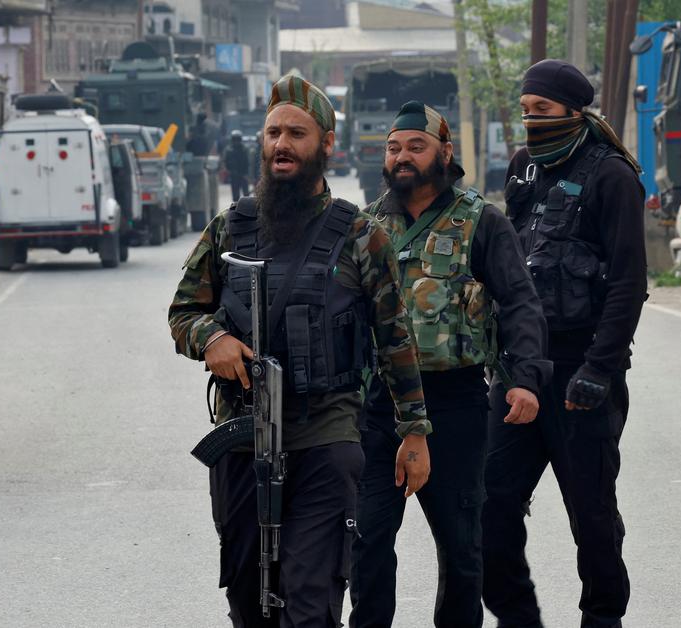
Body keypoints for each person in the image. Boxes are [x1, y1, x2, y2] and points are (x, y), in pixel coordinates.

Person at [168, 75, 432, 628]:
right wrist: (212, 339)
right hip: (243, 432)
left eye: (296, 133)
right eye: (273, 134)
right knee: (247, 596)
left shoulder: (360, 234)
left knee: (311, 601)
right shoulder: (229, 228)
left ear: (326, 144)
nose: (281, 145)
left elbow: (395, 338)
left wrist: (414, 432)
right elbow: (183, 312)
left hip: (325, 432)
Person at [349, 101, 552, 628]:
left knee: (463, 550)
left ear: (444, 153)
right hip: (380, 406)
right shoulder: (366, 225)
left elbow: (520, 302)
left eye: (416, 146)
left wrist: (525, 378)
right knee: (366, 543)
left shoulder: (482, 222)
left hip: (455, 404)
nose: (402, 157)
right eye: (394, 148)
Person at [482, 59, 647, 628]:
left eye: (543, 110)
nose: (532, 120)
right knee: (490, 502)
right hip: (520, 368)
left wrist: (600, 369)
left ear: (574, 113)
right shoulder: (523, 167)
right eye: (525, 111)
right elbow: (509, 264)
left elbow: (628, 283)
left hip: (582, 369)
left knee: (592, 515)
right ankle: (517, 616)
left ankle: (602, 618)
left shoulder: (612, 176)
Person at [223, 129, 251, 201]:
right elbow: (225, 161)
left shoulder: (244, 149)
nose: (236, 141)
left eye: (237, 139)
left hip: (243, 174)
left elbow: (247, 162)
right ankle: (236, 206)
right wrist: (227, 170)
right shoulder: (229, 150)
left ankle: (247, 206)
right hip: (233, 175)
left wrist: (247, 174)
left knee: (246, 194)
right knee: (235, 195)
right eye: (235, 139)